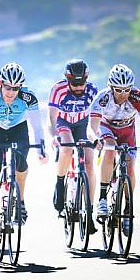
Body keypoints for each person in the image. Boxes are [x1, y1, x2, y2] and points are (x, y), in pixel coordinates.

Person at [0, 62, 48, 241]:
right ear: (0, 83)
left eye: (16, 88)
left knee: (21, 164)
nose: (11, 92)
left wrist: (41, 148)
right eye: (8, 87)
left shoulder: (29, 97)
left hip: (18, 129)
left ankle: (20, 200)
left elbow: (37, 127)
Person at [88, 64, 140, 234]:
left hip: (127, 132)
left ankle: (128, 208)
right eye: (119, 90)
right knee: (110, 149)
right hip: (107, 128)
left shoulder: (137, 96)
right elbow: (91, 127)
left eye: (127, 90)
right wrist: (95, 139)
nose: (123, 94)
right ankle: (102, 198)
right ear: (111, 87)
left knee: (129, 169)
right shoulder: (103, 98)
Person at [48, 59, 99, 232]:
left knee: (90, 163)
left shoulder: (93, 91)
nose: (78, 87)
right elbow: (51, 118)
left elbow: (96, 120)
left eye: (81, 83)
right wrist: (54, 136)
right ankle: (60, 183)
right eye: (74, 84)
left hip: (83, 124)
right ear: (67, 79)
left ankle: (89, 211)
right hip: (63, 122)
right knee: (67, 147)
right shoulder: (58, 89)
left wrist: (97, 138)